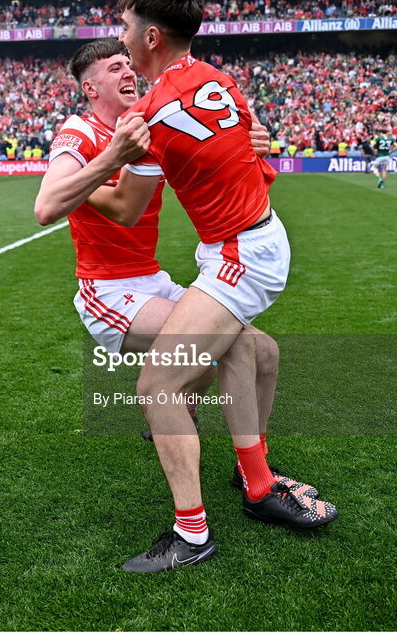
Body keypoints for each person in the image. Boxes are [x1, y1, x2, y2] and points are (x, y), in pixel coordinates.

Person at [35, 38, 320, 571]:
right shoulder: (79, 132)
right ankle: (206, 520)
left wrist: (248, 139)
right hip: (109, 292)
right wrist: (110, 159)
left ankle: (244, 463)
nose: (126, 71)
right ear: (89, 87)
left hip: (153, 280)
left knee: (264, 351)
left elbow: (177, 178)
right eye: (112, 67)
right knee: (232, 350)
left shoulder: (153, 126)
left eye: (128, 63)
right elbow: (48, 204)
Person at [100, 0, 337, 572]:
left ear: (150, 36)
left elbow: (126, 210)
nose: (121, 38)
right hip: (252, 239)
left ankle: (193, 536)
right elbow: (257, 164)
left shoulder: (149, 113)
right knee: (256, 353)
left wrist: (90, 175)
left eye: (125, 27)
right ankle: (256, 481)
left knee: (156, 389)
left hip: (239, 254)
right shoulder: (219, 79)